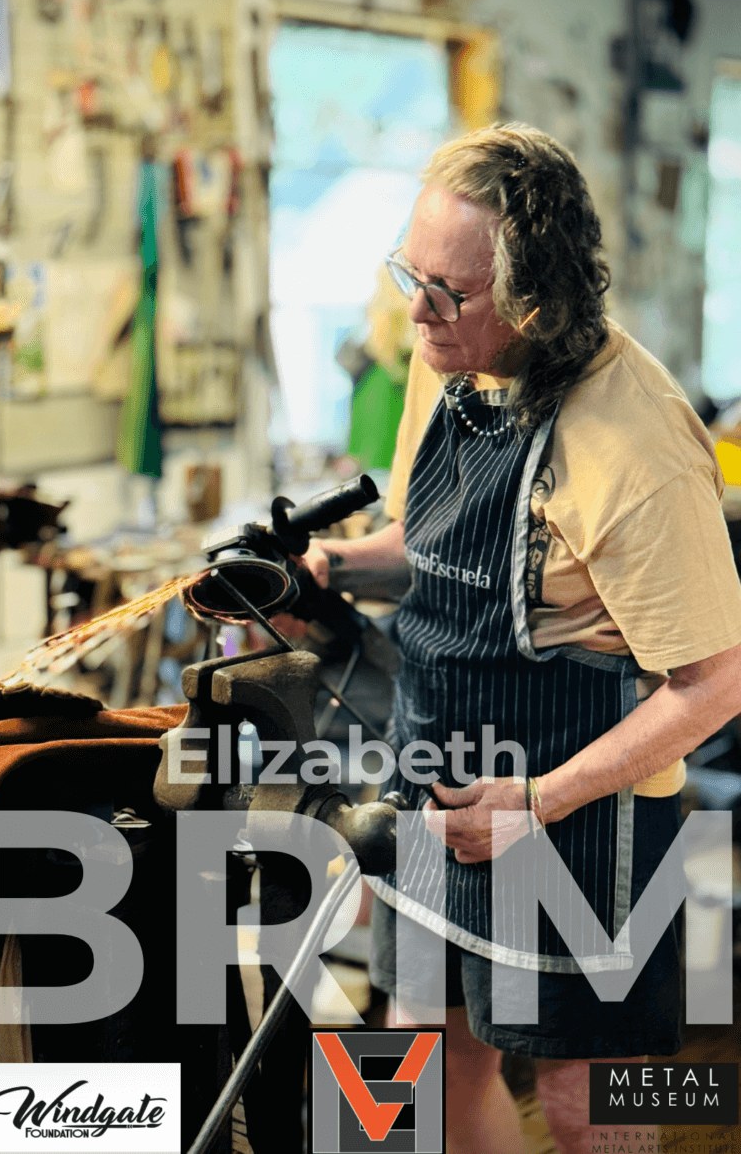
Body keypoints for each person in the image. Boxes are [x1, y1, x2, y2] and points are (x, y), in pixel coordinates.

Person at [298, 123, 741, 1154]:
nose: (415, 309)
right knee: (431, 1067)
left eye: (447, 291)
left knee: (598, 1108)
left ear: (534, 301)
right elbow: (437, 546)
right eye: (412, 272)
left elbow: (717, 683)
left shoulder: (637, 445)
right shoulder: (448, 356)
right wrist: (327, 571)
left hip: (582, 817)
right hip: (441, 780)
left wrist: (537, 804)